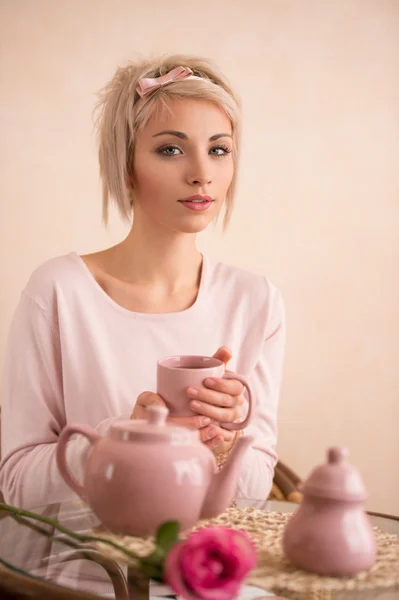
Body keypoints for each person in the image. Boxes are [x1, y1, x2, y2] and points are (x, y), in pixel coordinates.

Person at [0, 55, 286, 509]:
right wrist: (119, 440)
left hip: (209, 574)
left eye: (218, 149)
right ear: (126, 164)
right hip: (86, 576)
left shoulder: (255, 301)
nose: (201, 173)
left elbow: (254, 494)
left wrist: (225, 443)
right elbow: (16, 484)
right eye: (171, 149)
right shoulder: (58, 291)